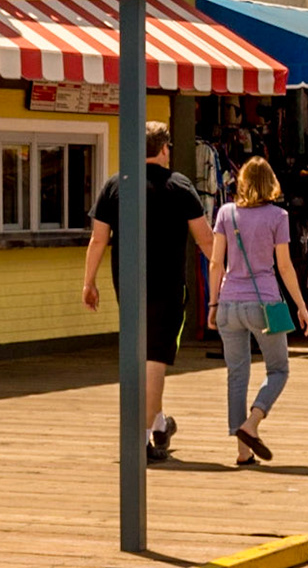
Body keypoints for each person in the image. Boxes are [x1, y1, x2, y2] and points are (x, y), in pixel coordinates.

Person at [83, 121, 212, 462]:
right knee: (154, 359)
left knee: (139, 356)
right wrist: (225, 275)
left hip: (126, 283)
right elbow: (205, 238)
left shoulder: (115, 185)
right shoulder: (179, 185)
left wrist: (89, 281)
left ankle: (158, 423)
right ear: (164, 149)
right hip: (168, 285)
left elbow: (98, 238)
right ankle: (141, 439)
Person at [205, 158, 308, 465]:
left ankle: (242, 452)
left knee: (236, 374)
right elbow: (284, 265)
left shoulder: (226, 213)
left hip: (228, 302)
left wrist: (213, 303)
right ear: (271, 183)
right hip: (265, 304)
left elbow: (216, 263)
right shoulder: (279, 216)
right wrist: (301, 306)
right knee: (278, 369)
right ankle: (251, 423)